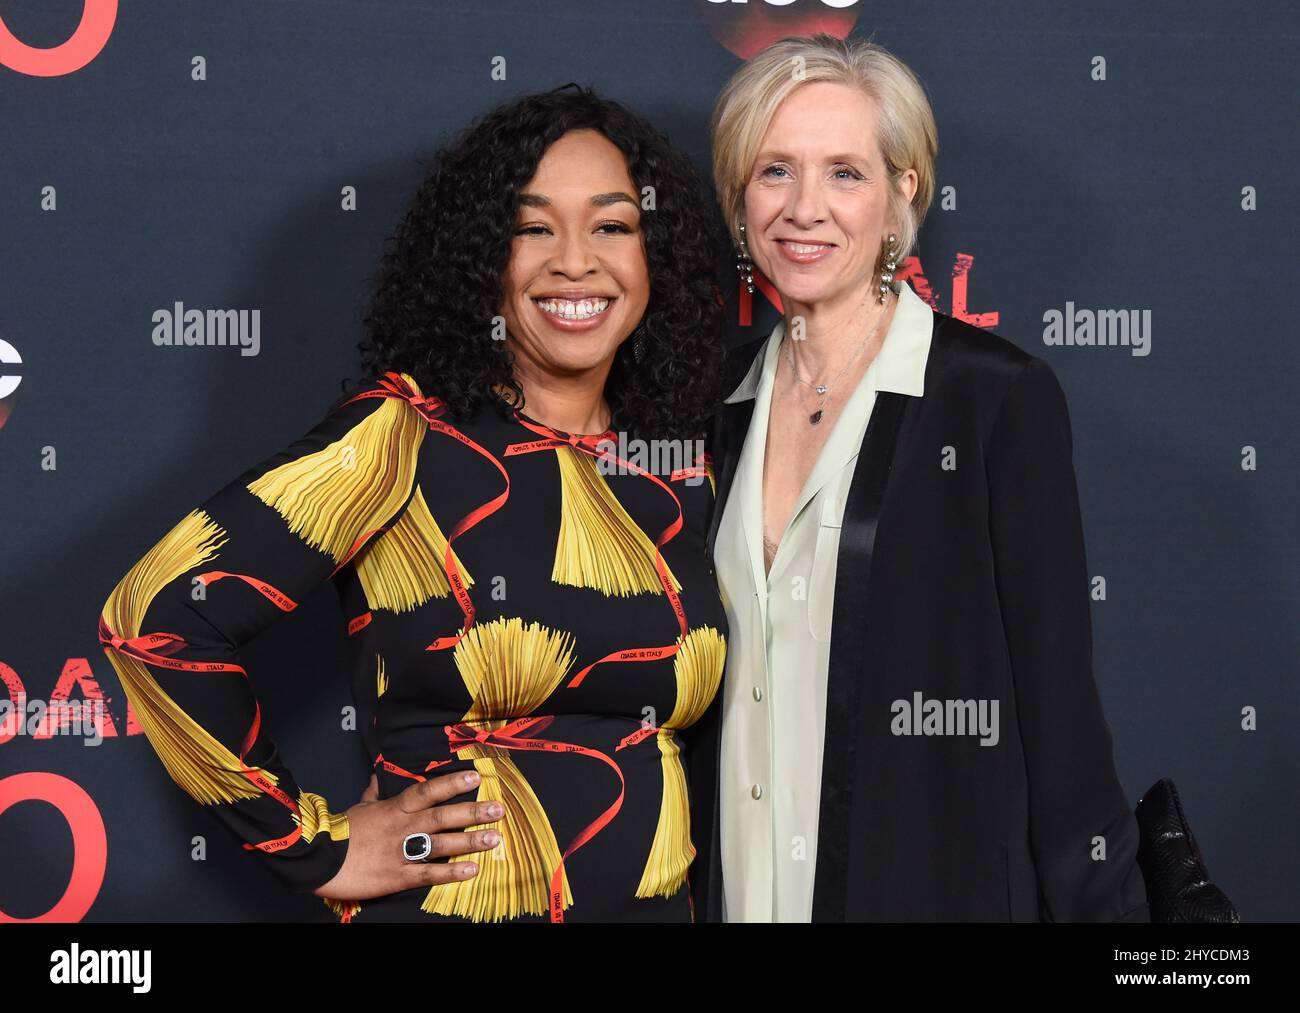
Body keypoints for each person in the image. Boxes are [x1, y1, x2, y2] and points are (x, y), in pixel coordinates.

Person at [98, 84, 729, 922]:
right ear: (479, 259)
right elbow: (156, 620)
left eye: (612, 225)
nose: (575, 261)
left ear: (657, 256)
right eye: (532, 227)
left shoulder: (682, 465)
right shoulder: (402, 435)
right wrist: (314, 846)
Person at [688, 34, 1149, 922]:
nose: (804, 208)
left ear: (903, 197)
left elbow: (1064, 727)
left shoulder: (995, 399)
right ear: (738, 200)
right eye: (775, 170)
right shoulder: (712, 406)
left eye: (846, 174)